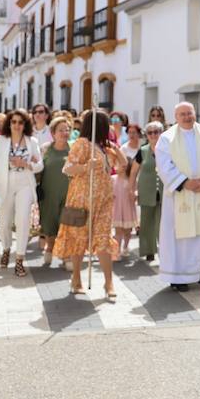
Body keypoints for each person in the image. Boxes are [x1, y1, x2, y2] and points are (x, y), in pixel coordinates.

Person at [155, 102, 200, 292]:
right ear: (176, 117)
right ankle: (178, 277)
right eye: (183, 114)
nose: (187, 117)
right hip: (180, 196)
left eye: (190, 113)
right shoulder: (167, 138)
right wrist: (185, 183)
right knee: (179, 238)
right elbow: (164, 165)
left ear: (195, 114)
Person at [54, 110, 124, 299]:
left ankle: (109, 283)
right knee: (79, 239)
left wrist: (114, 148)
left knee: (103, 239)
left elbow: (123, 164)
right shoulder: (82, 144)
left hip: (103, 202)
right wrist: (86, 167)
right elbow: (67, 168)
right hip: (82, 200)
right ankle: (76, 279)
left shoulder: (105, 147)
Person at [0, 109, 43, 277]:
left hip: (25, 183)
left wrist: (26, 164)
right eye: (14, 122)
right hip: (5, 184)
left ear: (25, 124)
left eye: (20, 122)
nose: (17, 125)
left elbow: (40, 165)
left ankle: (19, 259)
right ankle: (6, 248)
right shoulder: (1, 140)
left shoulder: (32, 141)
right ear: (9, 123)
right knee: (4, 221)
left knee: (23, 219)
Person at [37, 114, 73, 268]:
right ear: (53, 133)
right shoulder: (45, 149)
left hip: (69, 194)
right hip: (48, 194)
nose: (65, 133)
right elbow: (37, 170)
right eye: (61, 130)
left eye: (67, 130)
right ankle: (50, 248)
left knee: (67, 225)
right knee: (49, 225)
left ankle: (66, 256)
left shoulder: (74, 149)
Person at [132, 121, 163, 263]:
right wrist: (132, 190)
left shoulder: (167, 150)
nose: (153, 135)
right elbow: (133, 172)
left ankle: (165, 251)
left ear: (161, 133)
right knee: (146, 222)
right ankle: (149, 250)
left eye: (156, 132)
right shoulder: (142, 151)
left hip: (163, 192)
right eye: (150, 132)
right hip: (146, 190)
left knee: (162, 224)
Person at [113, 122, 142, 258]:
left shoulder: (131, 182)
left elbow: (134, 188)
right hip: (118, 208)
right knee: (118, 230)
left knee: (127, 230)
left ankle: (125, 246)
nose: (131, 135)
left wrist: (135, 192)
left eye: (134, 132)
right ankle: (117, 249)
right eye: (129, 132)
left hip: (128, 205)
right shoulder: (114, 179)